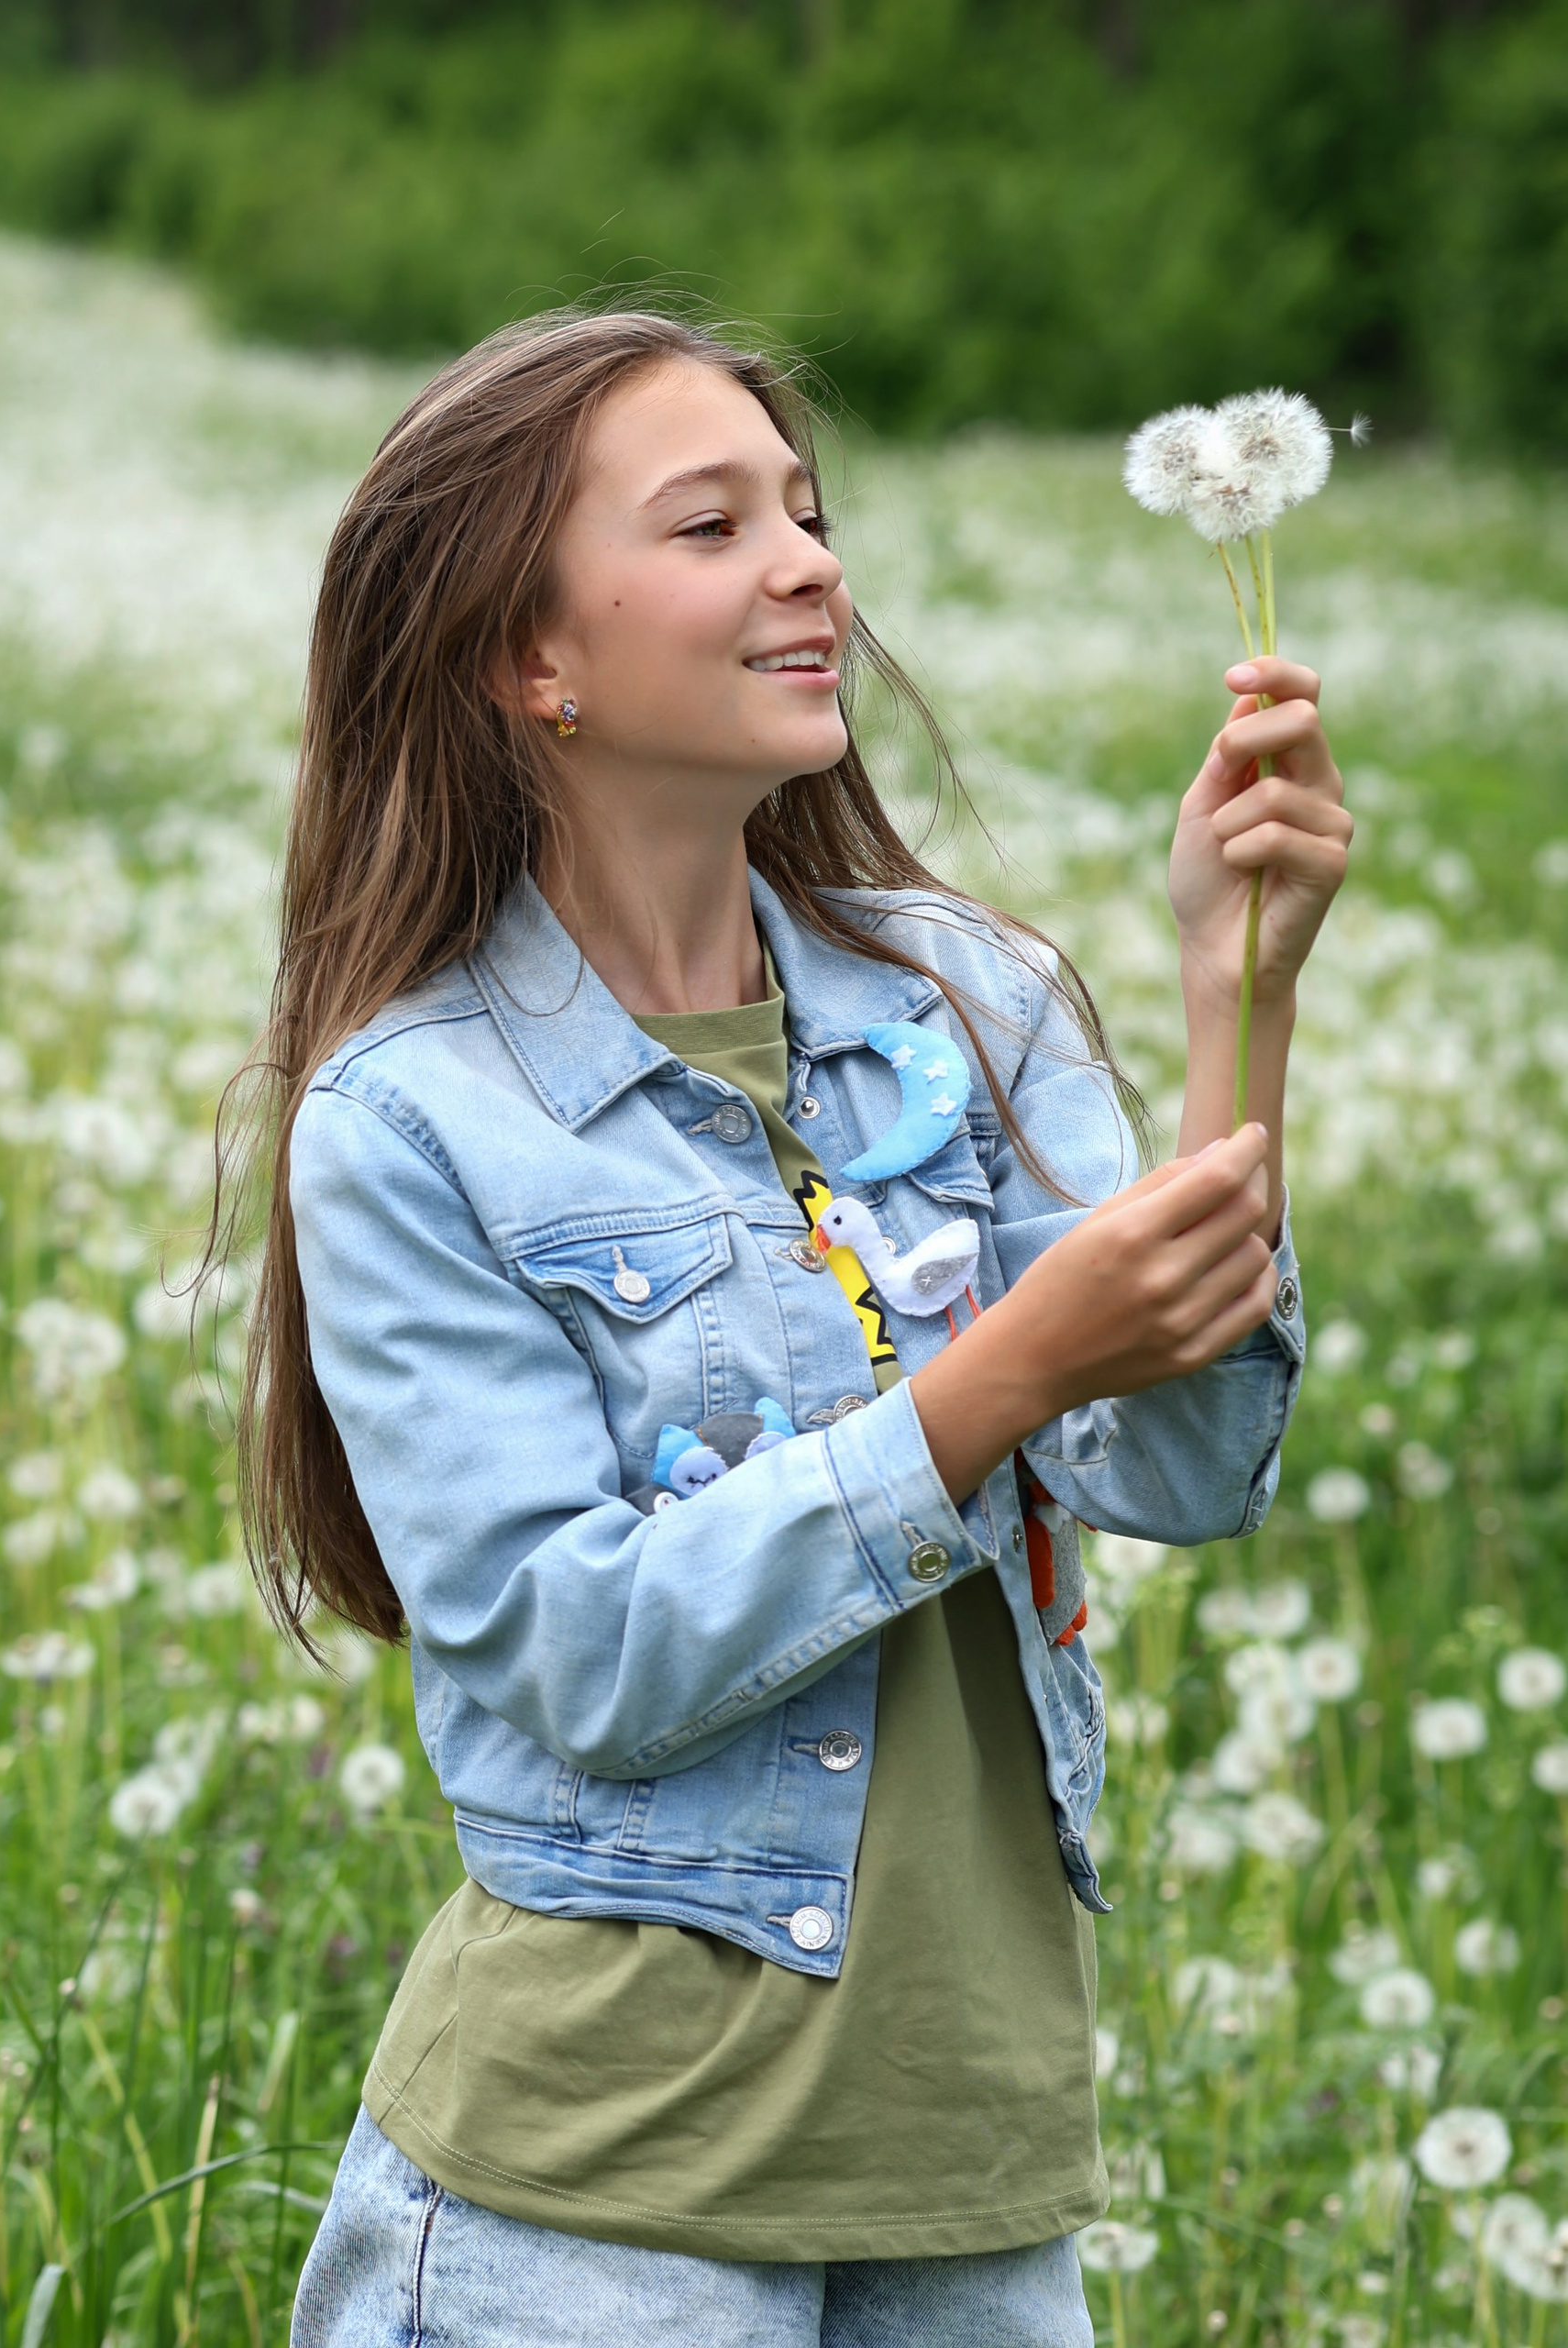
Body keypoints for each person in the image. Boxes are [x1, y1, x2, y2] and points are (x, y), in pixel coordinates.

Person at [226, 311, 1348, 2343]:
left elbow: (1180, 1467)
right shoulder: (409, 1120)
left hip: (970, 2179)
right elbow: (582, 1649)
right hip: (593, 2212)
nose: (810, 560)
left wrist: (1231, 997)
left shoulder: (967, 998)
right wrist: (991, 1376)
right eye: (710, 520)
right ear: (526, 657)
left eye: (808, 513)